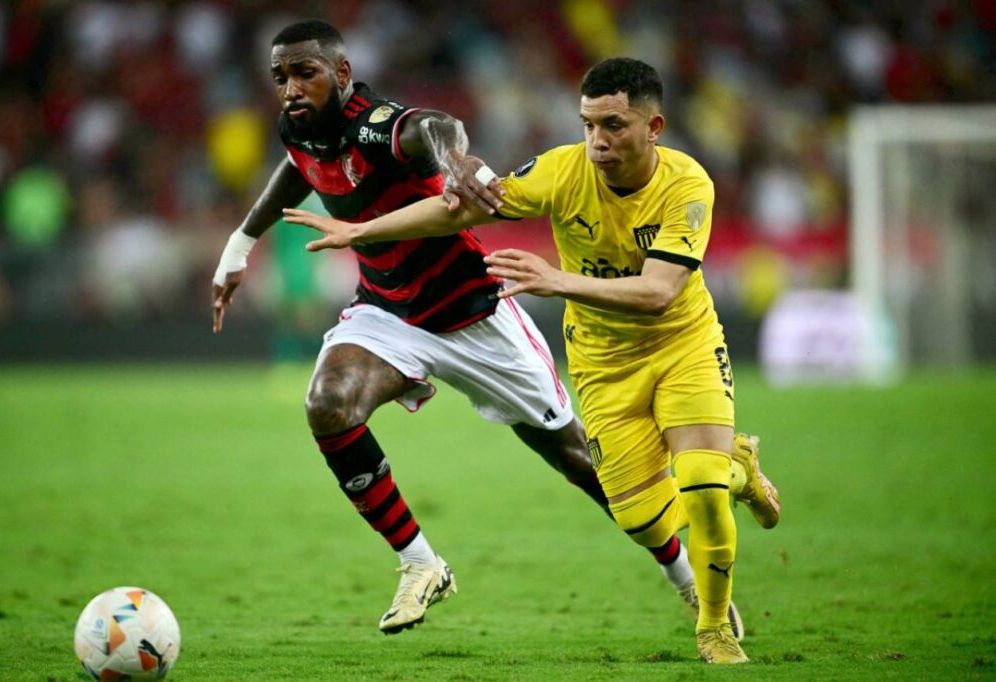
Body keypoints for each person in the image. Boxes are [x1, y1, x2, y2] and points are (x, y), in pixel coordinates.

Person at [210, 21, 743, 638]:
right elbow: (298, 164)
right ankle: (420, 564)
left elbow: (434, 126)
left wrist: (452, 160)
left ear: (343, 74)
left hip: (473, 310)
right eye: (281, 76)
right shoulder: (299, 126)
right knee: (328, 404)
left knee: (581, 462)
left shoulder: (375, 122)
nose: (291, 88)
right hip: (390, 313)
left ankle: (683, 577)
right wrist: (240, 242)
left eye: (305, 72)